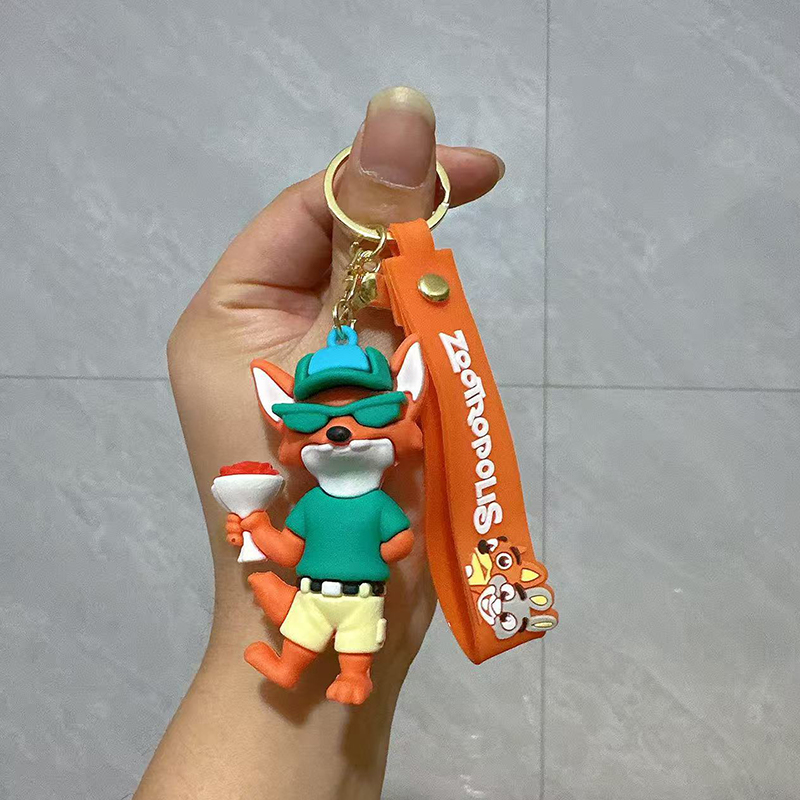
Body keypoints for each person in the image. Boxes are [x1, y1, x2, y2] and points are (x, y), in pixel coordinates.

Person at [134, 85, 505, 800]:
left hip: (363, 598)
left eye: (367, 417)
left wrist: (392, 549)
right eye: (314, 424)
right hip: (321, 593)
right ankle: (289, 667)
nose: (338, 432)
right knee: (301, 631)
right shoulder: (310, 502)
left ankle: (354, 675)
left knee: (356, 647)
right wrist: (257, 531)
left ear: (402, 412)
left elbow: (399, 538)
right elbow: (288, 547)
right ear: (286, 428)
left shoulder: (375, 501)